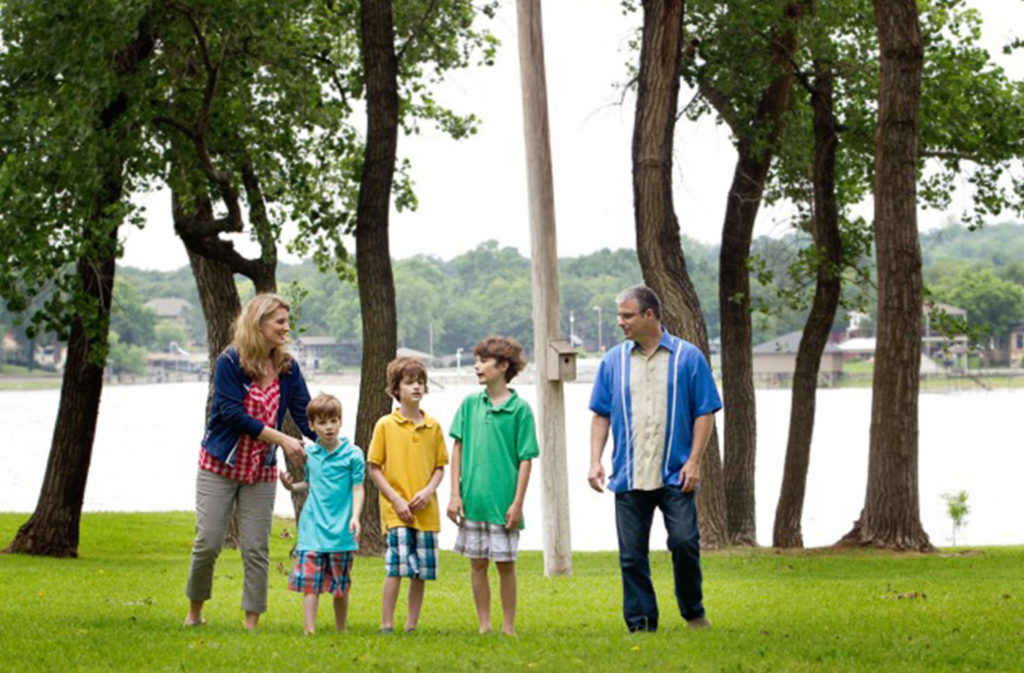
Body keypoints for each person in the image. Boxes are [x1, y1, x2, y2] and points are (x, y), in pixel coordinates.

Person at [588, 285, 722, 633]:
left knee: (684, 542)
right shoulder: (612, 361)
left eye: (627, 315)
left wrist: (694, 462)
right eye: (619, 316)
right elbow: (600, 413)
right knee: (632, 555)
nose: (621, 322)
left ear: (650, 315)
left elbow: (705, 412)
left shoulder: (687, 357)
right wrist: (595, 460)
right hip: (630, 476)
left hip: (676, 474)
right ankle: (641, 623)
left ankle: (694, 613)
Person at [183, 293, 316, 630]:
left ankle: (251, 622)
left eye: (287, 321)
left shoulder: (288, 368)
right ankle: (195, 612)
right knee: (208, 542)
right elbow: (232, 415)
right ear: (259, 324)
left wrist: (333, 445)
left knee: (256, 546)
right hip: (220, 465)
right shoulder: (230, 361)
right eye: (280, 322)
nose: (286, 328)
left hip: (260, 470)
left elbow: (304, 413)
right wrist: (283, 439)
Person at [447, 336, 538, 635]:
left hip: (504, 504)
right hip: (473, 501)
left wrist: (517, 503)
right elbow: (457, 448)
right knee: (477, 564)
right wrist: (454, 494)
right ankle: (484, 625)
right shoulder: (470, 404)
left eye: (484, 361)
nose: (477, 366)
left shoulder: (520, 410)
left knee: (506, 566)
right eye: (477, 360)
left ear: (503, 366)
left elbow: (526, 459)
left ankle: (508, 627)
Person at [367, 357, 448, 633]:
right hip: (396, 511)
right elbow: (374, 468)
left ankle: (411, 624)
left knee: (421, 572)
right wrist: (396, 500)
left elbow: (440, 468)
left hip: (426, 511)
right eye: (409, 382)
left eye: (420, 382)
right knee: (396, 567)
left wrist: (428, 492)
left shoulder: (433, 426)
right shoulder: (385, 425)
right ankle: (386, 622)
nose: (416, 387)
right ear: (396, 389)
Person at [280, 393, 365, 634]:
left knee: (341, 586)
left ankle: (341, 629)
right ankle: (310, 630)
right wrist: (291, 487)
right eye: (322, 422)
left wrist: (355, 517)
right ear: (312, 425)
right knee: (311, 586)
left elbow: (358, 488)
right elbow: (309, 483)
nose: (328, 427)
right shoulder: (309, 455)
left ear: (340, 421)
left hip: (341, 531)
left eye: (333, 421)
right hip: (312, 529)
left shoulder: (353, 454)